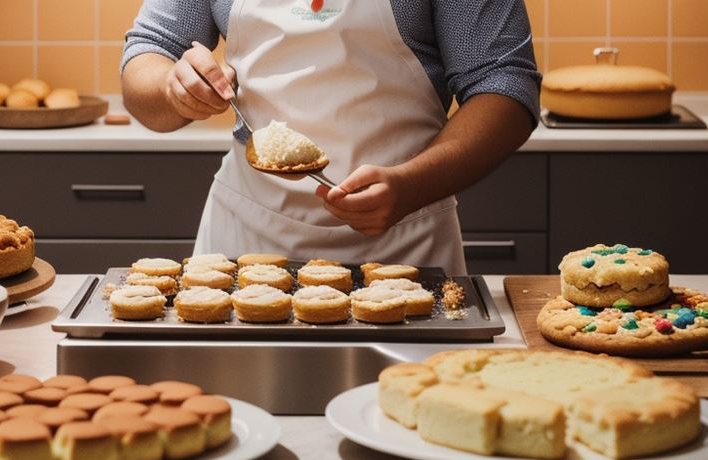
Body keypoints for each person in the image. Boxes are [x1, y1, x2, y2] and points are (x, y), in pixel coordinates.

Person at [121, 0, 540, 274]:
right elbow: (148, 54)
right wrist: (172, 89)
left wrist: (413, 185)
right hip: (245, 242)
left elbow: (506, 85)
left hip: (404, 248)